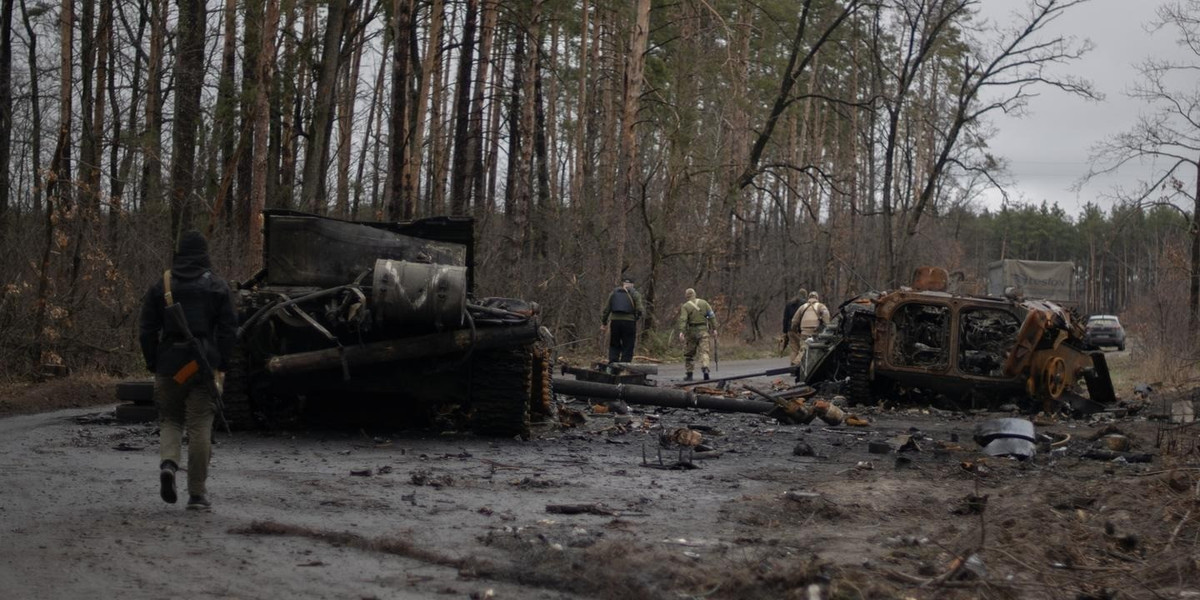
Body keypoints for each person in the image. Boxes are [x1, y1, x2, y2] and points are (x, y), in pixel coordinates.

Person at [139, 231, 237, 511]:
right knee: (200, 426)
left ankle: (169, 465)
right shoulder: (217, 286)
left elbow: (146, 330)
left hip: (169, 364)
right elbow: (229, 330)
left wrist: (153, 361)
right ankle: (196, 494)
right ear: (205, 254)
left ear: (180, 253)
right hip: (203, 365)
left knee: (170, 419)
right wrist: (222, 363)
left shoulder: (162, 285)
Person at [601, 276, 645, 364]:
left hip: (615, 322)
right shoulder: (635, 294)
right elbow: (640, 309)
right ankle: (625, 363)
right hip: (629, 322)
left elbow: (606, 309)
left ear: (623, 284)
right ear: (632, 285)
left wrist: (604, 322)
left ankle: (613, 362)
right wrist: (636, 317)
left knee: (614, 342)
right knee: (628, 344)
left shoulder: (614, 293)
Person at [676, 288, 717, 381]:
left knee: (689, 354)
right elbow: (711, 316)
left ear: (686, 296)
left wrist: (682, 331)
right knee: (704, 352)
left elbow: (683, 319)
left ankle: (689, 374)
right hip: (703, 331)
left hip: (691, 332)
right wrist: (714, 328)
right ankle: (705, 368)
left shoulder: (686, 306)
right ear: (695, 294)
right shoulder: (704, 303)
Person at [789, 290, 831, 368]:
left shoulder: (803, 307)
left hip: (804, 332)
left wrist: (794, 330)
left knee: (804, 348)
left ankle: (798, 365)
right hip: (815, 332)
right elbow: (826, 315)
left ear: (808, 298)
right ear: (817, 298)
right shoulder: (820, 306)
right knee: (813, 350)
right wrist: (827, 327)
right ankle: (797, 363)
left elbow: (794, 321)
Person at [782, 288, 808, 364]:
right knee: (802, 348)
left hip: (790, 330)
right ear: (805, 295)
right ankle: (797, 363)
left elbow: (785, 318)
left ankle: (792, 366)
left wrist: (785, 331)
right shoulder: (805, 304)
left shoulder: (789, 304)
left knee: (794, 349)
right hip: (799, 330)